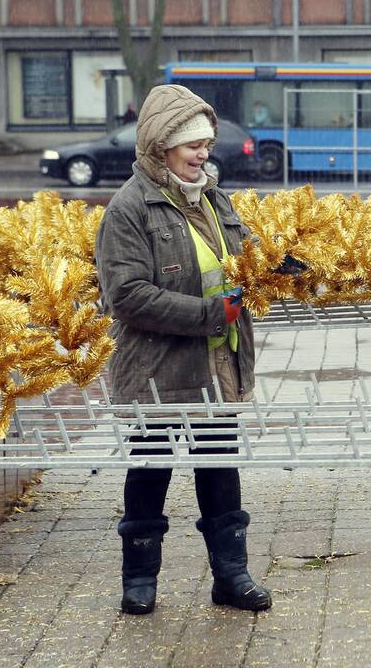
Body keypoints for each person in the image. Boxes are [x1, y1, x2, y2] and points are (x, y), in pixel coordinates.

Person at [95, 84, 272, 615]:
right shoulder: (130, 208)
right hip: (157, 370)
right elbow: (125, 295)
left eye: (206, 143)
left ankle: (232, 576)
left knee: (219, 469)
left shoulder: (214, 198)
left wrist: (274, 267)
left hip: (217, 363)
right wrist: (209, 314)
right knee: (150, 471)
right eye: (190, 144)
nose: (202, 154)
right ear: (160, 145)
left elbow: (241, 259)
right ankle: (140, 580)